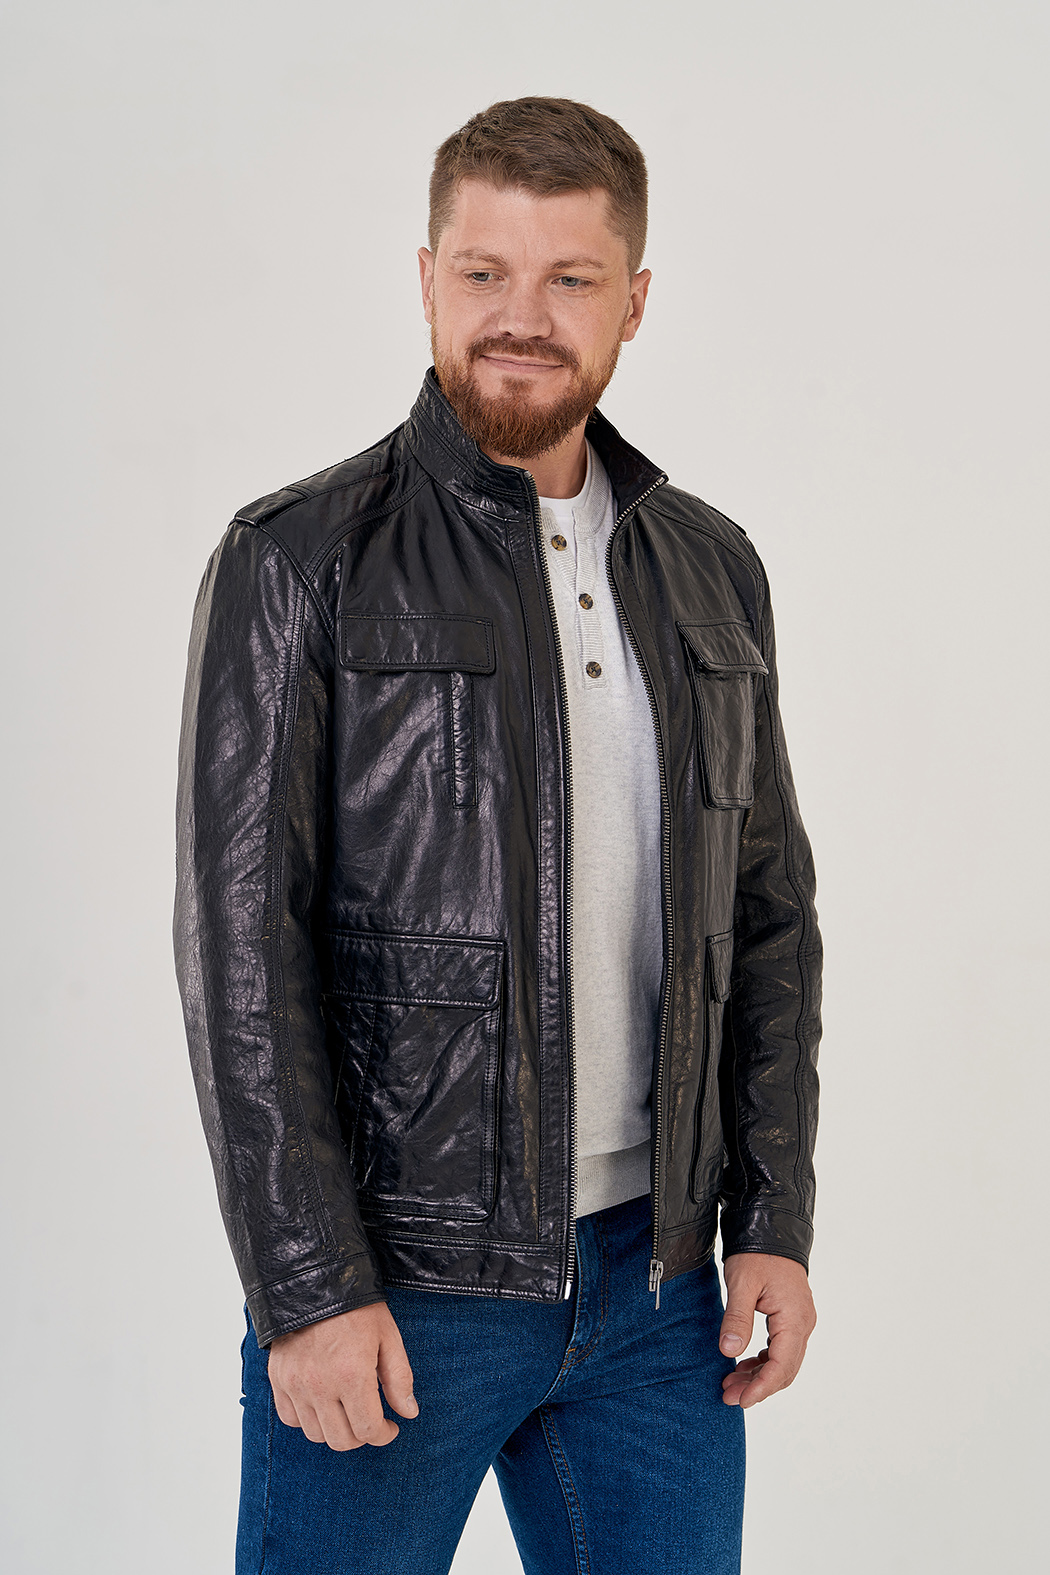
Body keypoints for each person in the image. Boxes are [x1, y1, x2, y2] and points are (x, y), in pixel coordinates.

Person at [174, 96, 822, 1575]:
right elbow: (239, 952)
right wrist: (306, 1285)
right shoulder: (299, 559)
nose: (519, 317)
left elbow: (767, 914)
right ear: (426, 280)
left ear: (633, 302)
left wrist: (772, 1219)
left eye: (569, 279)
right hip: (399, 1285)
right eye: (484, 273)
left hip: (660, 1289)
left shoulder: (710, 569)